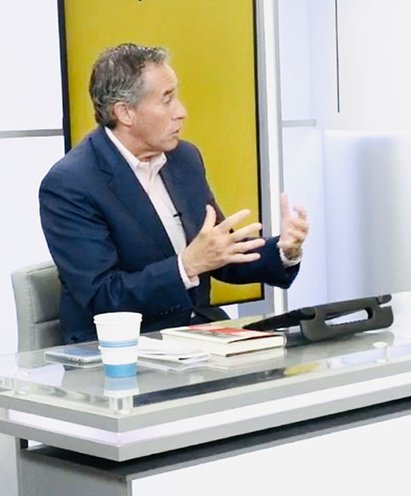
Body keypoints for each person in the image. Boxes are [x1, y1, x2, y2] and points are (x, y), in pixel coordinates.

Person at [39, 43, 309, 343]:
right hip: (120, 350)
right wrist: (187, 265)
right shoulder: (71, 184)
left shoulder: (184, 159)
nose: (181, 112)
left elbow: (220, 256)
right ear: (125, 112)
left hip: (197, 337)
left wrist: (284, 250)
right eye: (167, 100)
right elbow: (104, 296)